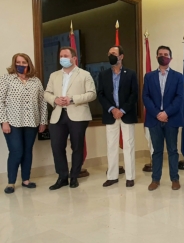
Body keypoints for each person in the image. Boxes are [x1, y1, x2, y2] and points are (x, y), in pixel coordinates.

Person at [44, 46, 96, 190]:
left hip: (78, 115)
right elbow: (46, 93)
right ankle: (62, 177)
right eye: (61, 56)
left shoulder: (84, 74)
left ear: (74, 58)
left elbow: (92, 94)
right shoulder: (54, 75)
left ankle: (74, 177)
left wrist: (72, 99)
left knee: (77, 147)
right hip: (58, 116)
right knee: (57, 147)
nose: (63, 58)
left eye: (66, 56)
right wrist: (55, 100)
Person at [0, 53, 48, 194]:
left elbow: (43, 102)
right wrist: (4, 122)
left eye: (24, 62)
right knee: (16, 151)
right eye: (18, 62)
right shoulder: (6, 79)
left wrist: (43, 121)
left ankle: (26, 180)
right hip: (12, 122)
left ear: (29, 64)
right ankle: (11, 182)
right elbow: (0, 101)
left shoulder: (36, 81)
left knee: (27, 151)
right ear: (14, 64)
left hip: (32, 122)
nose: (21, 65)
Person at [143, 46, 184, 191]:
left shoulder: (178, 76)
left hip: (171, 119)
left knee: (173, 150)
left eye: (166, 54)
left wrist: (166, 113)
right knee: (157, 151)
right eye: (160, 54)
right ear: (156, 57)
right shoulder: (148, 76)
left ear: (170, 58)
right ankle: (155, 179)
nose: (163, 56)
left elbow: (179, 98)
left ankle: (174, 179)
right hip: (154, 119)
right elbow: (145, 97)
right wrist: (157, 114)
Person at [97, 45, 138, 188]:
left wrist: (123, 110)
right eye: (109, 53)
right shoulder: (103, 74)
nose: (111, 56)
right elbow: (100, 94)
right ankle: (112, 176)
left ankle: (130, 177)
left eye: (114, 53)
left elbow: (134, 94)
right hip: (111, 115)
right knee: (111, 146)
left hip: (126, 114)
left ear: (121, 56)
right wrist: (112, 109)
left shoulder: (131, 73)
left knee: (129, 145)